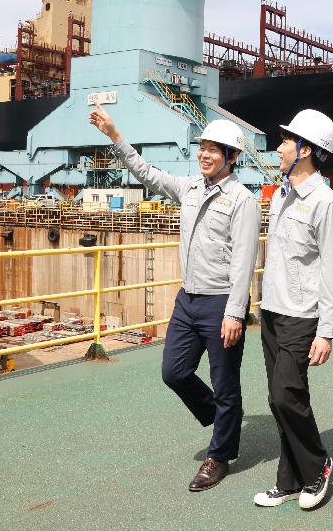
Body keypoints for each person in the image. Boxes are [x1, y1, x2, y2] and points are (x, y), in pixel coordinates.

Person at [89, 105, 260, 492]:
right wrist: (115, 136)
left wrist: (235, 313)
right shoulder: (190, 188)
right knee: (174, 372)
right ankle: (224, 416)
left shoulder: (242, 200)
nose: (204, 154)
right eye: (202, 147)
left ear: (231, 156)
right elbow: (146, 173)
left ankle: (220, 456)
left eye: (213, 149)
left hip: (221, 302)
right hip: (188, 300)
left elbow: (244, 260)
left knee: (225, 382)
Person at [253, 109, 333, 511]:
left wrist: (326, 331)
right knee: (280, 400)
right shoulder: (282, 195)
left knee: (285, 396)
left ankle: (318, 465)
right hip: (273, 312)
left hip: (302, 317)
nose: (279, 148)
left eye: (286, 142)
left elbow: (331, 271)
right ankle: (288, 481)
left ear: (306, 150)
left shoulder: (326, 203)